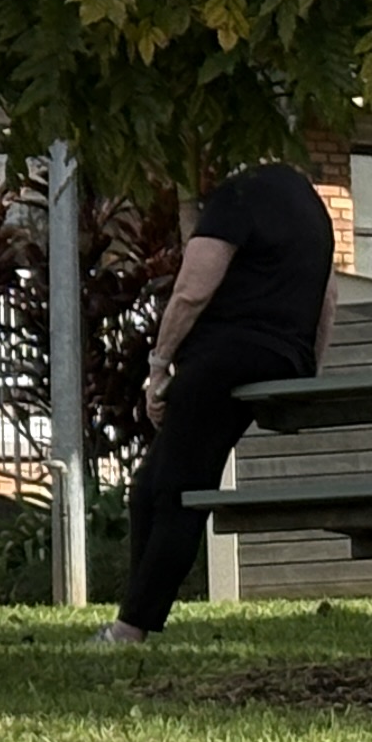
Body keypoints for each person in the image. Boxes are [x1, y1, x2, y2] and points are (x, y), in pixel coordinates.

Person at [99, 158, 340, 647]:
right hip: (286, 358)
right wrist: (307, 372)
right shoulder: (314, 211)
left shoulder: (239, 194)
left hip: (225, 359)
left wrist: (160, 364)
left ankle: (131, 628)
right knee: (149, 485)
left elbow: (192, 290)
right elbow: (328, 299)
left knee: (177, 490)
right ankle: (132, 616)